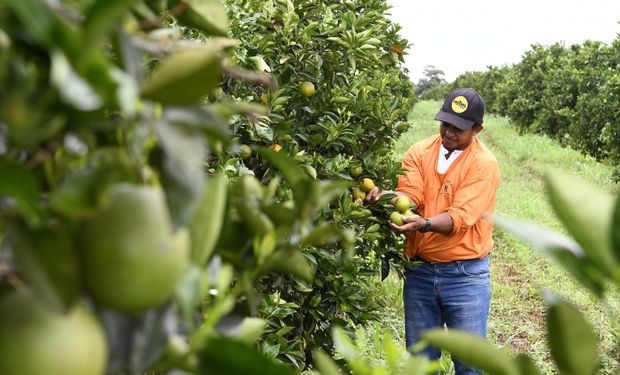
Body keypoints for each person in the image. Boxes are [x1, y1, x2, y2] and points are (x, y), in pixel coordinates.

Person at [366, 88, 500, 374]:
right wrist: (386, 198)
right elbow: (410, 194)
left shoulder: (483, 164)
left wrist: (423, 224)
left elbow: (460, 217)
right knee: (421, 362)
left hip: (465, 277)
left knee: (470, 365)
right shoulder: (420, 151)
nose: (449, 132)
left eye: (459, 128)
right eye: (445, 124)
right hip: (420, 272)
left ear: (477, 129)